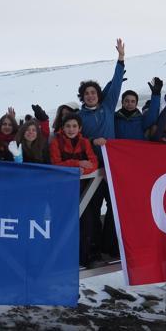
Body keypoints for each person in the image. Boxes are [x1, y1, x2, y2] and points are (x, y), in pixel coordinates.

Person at [77, 38, 125, 259]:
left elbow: (116, 84)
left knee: (115, 208)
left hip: (112, 167)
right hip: (91, 169)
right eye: (86, 93)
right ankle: (92, 249)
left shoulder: (107, 106)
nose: (90, 95)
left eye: (93, 92)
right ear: (83, 97)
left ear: (98, 94)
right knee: (91, 210)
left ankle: (111, 247)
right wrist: (92, 141)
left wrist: (120, 59)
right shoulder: (78, 117)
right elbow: (74, 138)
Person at [49, 114, 98, 267]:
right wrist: (77, 165)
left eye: (74, 126)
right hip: (61, 192)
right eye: (68, 126)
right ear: (62, 128)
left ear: (80, 128)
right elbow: (56, 163)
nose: (71, 129)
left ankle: (84, 256)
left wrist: (83, 170)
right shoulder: (56, 142)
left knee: (86, 223)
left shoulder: (84, 143)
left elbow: (94, 163)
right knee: (62, 223)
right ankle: (61, 258)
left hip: (82, 190)